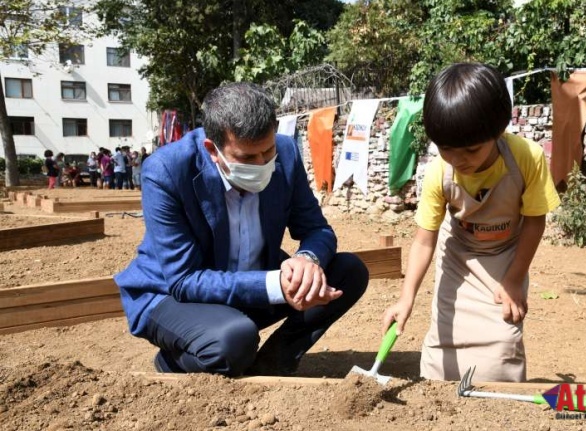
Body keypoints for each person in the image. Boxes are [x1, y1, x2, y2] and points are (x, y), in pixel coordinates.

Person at [115, 82, 369, 377]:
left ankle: (275, 361)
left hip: (251, 285)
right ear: (213, 150)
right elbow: (184, 280)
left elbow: (317, 229)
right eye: (248, 158)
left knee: (348, 272)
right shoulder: (166, 171)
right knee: (233, 341)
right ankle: (174, 362)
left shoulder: (286, 153)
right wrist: (276, 286)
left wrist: (307, 261)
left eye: (268, 151)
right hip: (171, 296)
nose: (262, 164)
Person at [381, 62, 560, 382]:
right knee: (444, 344)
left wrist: (515, 278)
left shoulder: (526, 157)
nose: (459, 160)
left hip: (506, 255)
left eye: (471, 150)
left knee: (503, 343)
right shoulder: (439, 172)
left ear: (499, 129)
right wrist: (406, 297)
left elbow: (534, 221)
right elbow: (425, 239)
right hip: (458, 256)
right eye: (447, 150)